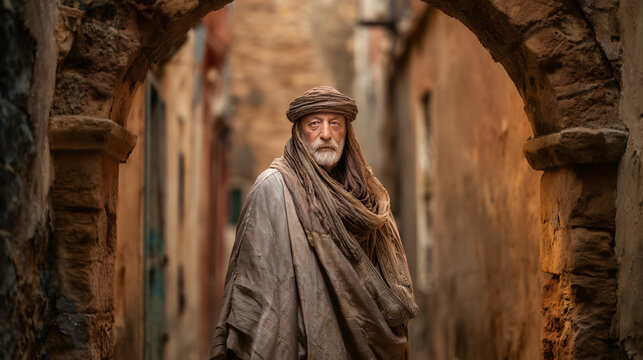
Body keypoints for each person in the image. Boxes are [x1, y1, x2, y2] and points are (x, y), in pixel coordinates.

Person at [210, 86, 418, 360]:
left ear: (347, 131)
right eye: (314, 124)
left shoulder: (368, 196)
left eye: (335, 123)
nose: (326, 134)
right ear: (299, 132)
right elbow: (250, 288)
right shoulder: (271, 190)